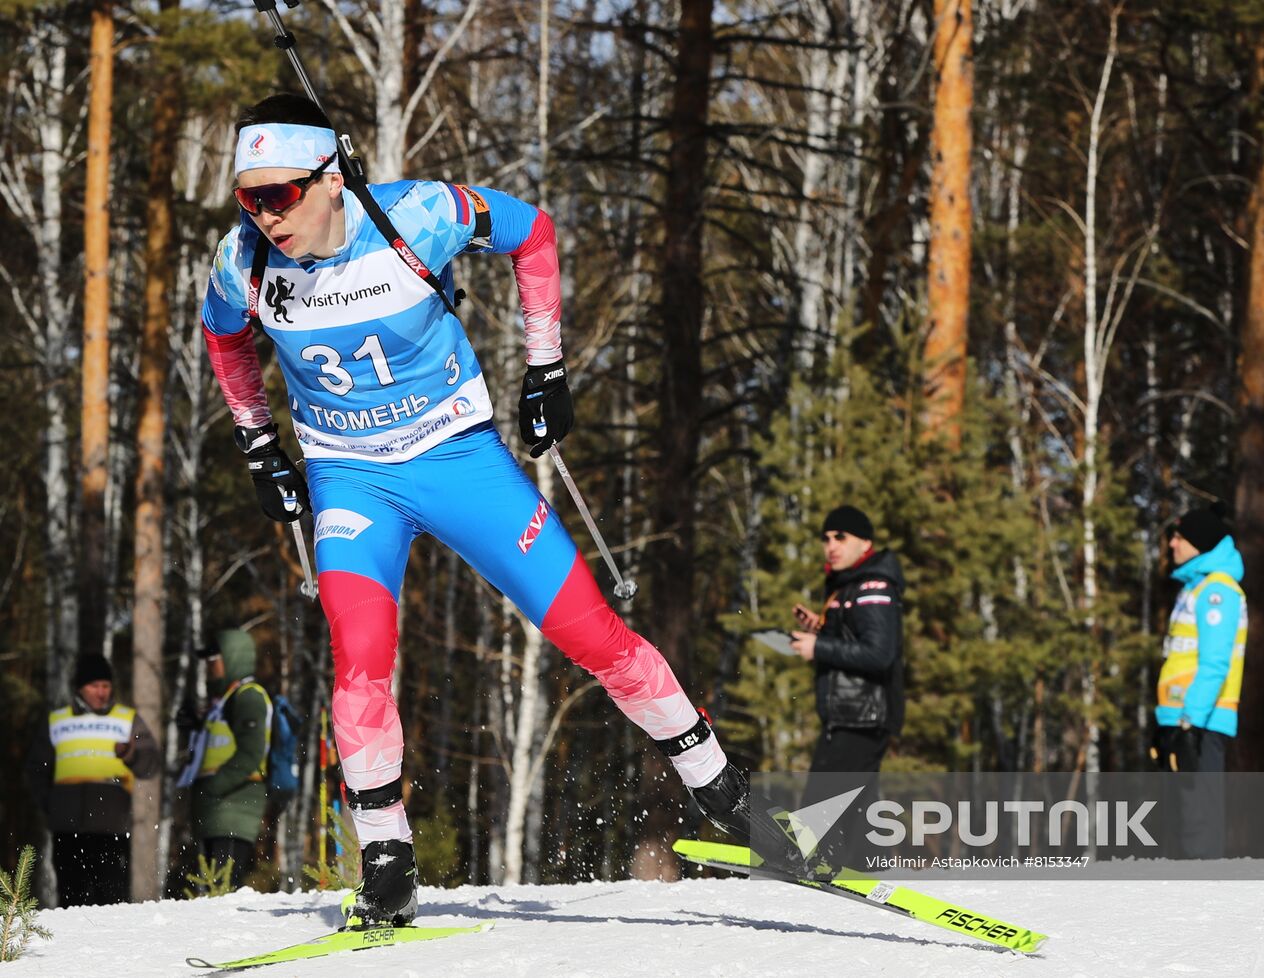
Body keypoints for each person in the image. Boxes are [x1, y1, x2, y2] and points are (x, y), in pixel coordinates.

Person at [200, 93, 766, 925]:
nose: (265, 215)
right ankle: (385, 856)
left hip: (460, 459)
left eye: (280, 193)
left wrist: (548, 367)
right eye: (249, 197)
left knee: (588, 633)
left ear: (331, 176)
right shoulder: (241, 260)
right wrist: (258, 445)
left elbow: (531, 231)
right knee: (361, 655)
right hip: (352, 479)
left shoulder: (417, 216)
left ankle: (718, 782)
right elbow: (225, 339)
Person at [24, 654, 160, 907]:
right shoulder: (58, 721)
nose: (101, 692)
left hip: (112, 828)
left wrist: (130, 754)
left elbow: (151, 764)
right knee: (71, 902)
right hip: (67, 828)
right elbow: (36, 769)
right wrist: (51, 806)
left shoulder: (126, 719)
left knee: (112, 901)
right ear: (79, 688)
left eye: (106, 686)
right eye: (94, 686)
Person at [790, 505, 905, 784]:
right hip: (851, 717)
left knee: (815, 822)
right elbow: (856, 636)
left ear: (865, 542)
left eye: (841, 537)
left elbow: (879, 654)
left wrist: (818, 647)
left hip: (860, 721)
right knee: (852, 824)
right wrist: (822, 628)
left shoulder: (872, 587)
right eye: (826, 539)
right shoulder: (850, 583)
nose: (831, 546)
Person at [1153, 504, 1247, 774]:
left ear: (1199, 543)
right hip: (1180, 719)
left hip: (1201, 722)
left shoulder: (1216, 591)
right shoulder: (1195, 588)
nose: (1172, 544)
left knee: (1199, 815)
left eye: (1179, 538)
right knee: (1180, 815)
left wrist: (1189, 723)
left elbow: (1215, 663)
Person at [179, 630, 270, 890]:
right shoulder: (224, 701)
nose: (208, 668)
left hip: (233, 806)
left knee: (223, 888)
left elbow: (251, 752)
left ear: (232, 659)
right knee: (211, 889)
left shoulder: (249, 697)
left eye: (213, 661)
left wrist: (213, 787)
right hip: (218, 808)